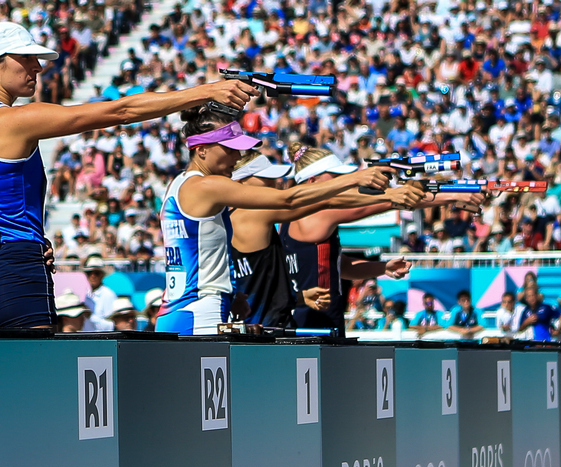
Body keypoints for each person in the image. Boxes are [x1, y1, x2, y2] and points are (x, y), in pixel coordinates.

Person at [0, 21, 256, 329]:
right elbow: (120, 111)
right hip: (14, 271)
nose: (38, 67)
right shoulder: (11, 120)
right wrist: (205, 92)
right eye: (27, 59)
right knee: (38, 383)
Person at [156, 110, 418, 334]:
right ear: (201, 150)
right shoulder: (206, 185)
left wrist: (232, 295)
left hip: (181, 310)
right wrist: (355, 179)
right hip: (200, 314)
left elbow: (199, 256)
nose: (237, 158)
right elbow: (290, 201)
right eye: (230, 149)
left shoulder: (178, 185)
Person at [279, 145, 480, 332]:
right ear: (312, 181)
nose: (340, 184)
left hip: (314, 320)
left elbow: (339, 266)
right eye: (335, 177)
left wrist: (383, 268)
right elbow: (393, 201)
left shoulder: (294, 218)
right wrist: (454, 195)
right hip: (314, 322)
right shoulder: (316, 214)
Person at [228, 150, 415, 328]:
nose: (275, 182)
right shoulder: (253, 214)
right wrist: (383, 193)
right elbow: (324, 201)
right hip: (266, 332)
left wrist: (299, 296)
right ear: (241, 181)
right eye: (265, 177)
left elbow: (258, 287)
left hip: (268, 326)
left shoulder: (237, 216)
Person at [83, 256, 117, 324]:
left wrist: (90, 317)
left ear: (102, 275)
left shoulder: (108, 295)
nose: (93, 276)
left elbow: (110, 325)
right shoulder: (85, 294)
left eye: (96, 273)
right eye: (89, 273)